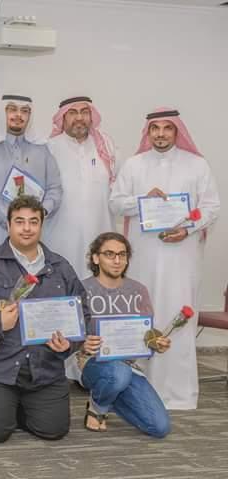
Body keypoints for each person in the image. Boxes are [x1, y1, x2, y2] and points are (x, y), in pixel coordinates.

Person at [0, 195, 89, 443]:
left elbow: (83, 314)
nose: (27, 228)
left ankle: (10, 407)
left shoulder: (60, 267)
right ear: (8, 225)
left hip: (43, 370)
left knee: (54, 430)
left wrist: (70, 344)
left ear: (42, 225)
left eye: (33, 222)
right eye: (19, 221)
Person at [109, 108, 220, 410]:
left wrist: (187, 229)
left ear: (176, 131)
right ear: (148, 132)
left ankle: (179, 394)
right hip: (143, 257)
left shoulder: (196, 165)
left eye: (167, 128)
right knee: (144, 315)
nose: (160, 134)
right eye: (154, 128)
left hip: (182, 258)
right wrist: (142, 200)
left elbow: (211, 207)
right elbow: (116, 203)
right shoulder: (134, 165)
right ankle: (138, 391)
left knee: (178, 314)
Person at [78, 232, 171, 437]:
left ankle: (111, 396)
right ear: (96, 258)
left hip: (129, 367)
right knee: (118, 374)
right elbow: (71, 335)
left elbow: (146, 334)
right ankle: (98, 406)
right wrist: (82, 344)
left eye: (122, 254)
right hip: (93, 363)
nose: (117, 260)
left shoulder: (139, 290)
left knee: (160, 427)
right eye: (109, 254)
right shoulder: (82, 289)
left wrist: (156, 342)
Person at [0, 94, 62, 255]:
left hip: (31, 235)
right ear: (2, 113)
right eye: (12, 109)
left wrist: (41, 213)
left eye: (24, 111)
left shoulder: (43, 150)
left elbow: (55, 188)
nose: (19, 115)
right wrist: (14, 220)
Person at [43, 96, 116, 278]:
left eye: (84, 112)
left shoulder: (106, 147)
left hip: (99, 231)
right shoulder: (49, 148)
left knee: (98, 283)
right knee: (63, 281)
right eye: (72, 113)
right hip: (60, 237)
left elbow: (118, 190)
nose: (79, 118)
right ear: (63, 117)